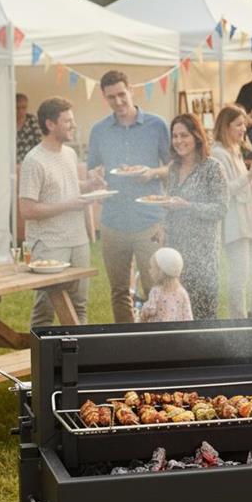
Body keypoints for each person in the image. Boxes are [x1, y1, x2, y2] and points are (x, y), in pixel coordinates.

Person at [87, 70, 170, 323]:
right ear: (104, 97)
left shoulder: (156, 125)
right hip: (113, 221)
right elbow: (93, 169)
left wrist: (153, 172)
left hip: (149, 220)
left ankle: (155, 343)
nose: (118, 102)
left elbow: (173, 168)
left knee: (154, 287)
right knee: (119, 290)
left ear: (131, 90)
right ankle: (126, 342)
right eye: (111, 97)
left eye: (122, 94)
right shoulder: (99, 130)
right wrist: (97, 178)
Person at [19, 98, 105, 327]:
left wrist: (90, 185)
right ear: (50, 124)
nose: (73, 125)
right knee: (46, 307)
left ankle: (79, 359)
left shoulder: (69, 154)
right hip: (49, 244)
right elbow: (27, 209)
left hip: (78, 241)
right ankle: (40, 360)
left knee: (79, 305)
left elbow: (66, 186)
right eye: (67, 121)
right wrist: (69, 204)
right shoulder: (33, 160)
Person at [162, 114, 228, 320]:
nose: (179, 141)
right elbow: (169, 205)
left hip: (202, 256)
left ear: (197, 136)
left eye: (184, 135)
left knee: (203, 315)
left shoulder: (212, 167)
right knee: (176, 314)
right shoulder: (173, 168)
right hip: (175, 253)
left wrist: (188, 206)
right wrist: (162, 226)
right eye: (175, 136)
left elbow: (221, 209)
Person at [210, 105, 252, 319]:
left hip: (249, 215)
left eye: (244, 124)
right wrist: (251, 173)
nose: (244, 128)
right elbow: (225, 190)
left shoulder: (234, 150)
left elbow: (243, 186)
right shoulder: (217, 153)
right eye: (239, 124)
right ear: (226, 127)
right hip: (235, 220)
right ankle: (239, 321)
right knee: (240, 274)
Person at [139, 247, 193, 323]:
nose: (149, 270)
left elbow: (149, 311)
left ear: (161, 271)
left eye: (152, 267)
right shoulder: (182, 292)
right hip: (175, 333)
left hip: (158, 332)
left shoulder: (156, 291)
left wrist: (142, 314)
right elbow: (188, 317)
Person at [16, 93, 43, 163]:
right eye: (17, 108)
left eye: (23, 107)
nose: (20, 111)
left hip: (30, 162)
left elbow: (39, 143)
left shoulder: (33, 121)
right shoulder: (7, 122)